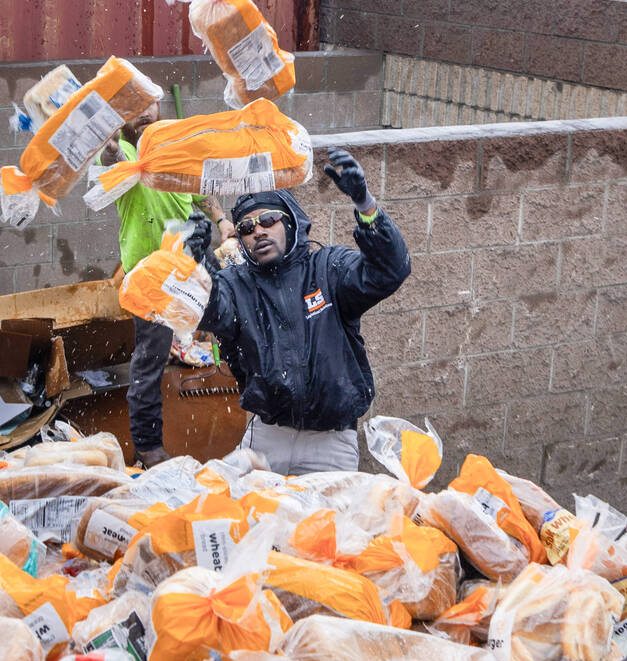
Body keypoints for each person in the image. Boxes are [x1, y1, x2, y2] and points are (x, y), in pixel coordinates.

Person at [190, 148, 411, 474]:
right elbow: (210, 313)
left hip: (330, 444)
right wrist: (198, 265)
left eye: (268, 220)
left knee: (325, 525)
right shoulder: (236, 283)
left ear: (290, 221)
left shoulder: (328, 268)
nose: (258, 231)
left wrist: (365, 204)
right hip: (266, 438)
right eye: (247, 227)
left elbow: (390, 270)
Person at [100, 104, 232, 468]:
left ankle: (249, 409)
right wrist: (109, 146)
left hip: (191, 262)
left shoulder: (174, 149)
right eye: (134, 107)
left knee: (239, 314)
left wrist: (221, 221)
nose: (144, 112)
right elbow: (111, 165)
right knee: (151, 359)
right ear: (121, 119)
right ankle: (148, 446)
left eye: (149, 105)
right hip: (151, 279)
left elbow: (198, 190)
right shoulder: (125, 152)